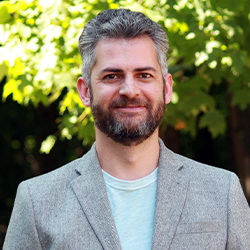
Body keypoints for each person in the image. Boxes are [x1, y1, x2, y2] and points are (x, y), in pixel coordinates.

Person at [3, 8, 250, 250]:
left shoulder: (222, 192)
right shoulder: (37, 202)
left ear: (167, 88)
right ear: (85, 91)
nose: (129, 90)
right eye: (112, 76)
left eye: (144, 75)